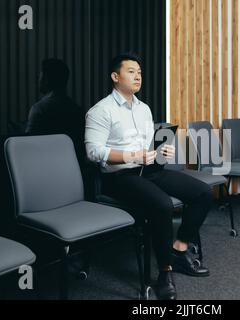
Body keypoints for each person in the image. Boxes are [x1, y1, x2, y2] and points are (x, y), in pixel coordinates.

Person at [85, 53, 213, 300]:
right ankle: (164, 273)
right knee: (162, 205)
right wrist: (133, 155)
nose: (138, 76)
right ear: (115, 76)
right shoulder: (100, 111)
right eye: (131, 71)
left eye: (140, 72)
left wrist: (161, 150)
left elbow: (147, 146)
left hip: (150, 170)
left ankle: (179, 250)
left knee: (203, 193)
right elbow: (93, 152)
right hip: (119, 178)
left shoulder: (144, 109)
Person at [26, 58, 85, 164]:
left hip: (44, 166)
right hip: (71, 167)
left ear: (46, 79)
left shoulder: (39, 109)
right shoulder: (78, 110)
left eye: (40, 75)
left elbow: (28, 145)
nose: (38, 79)